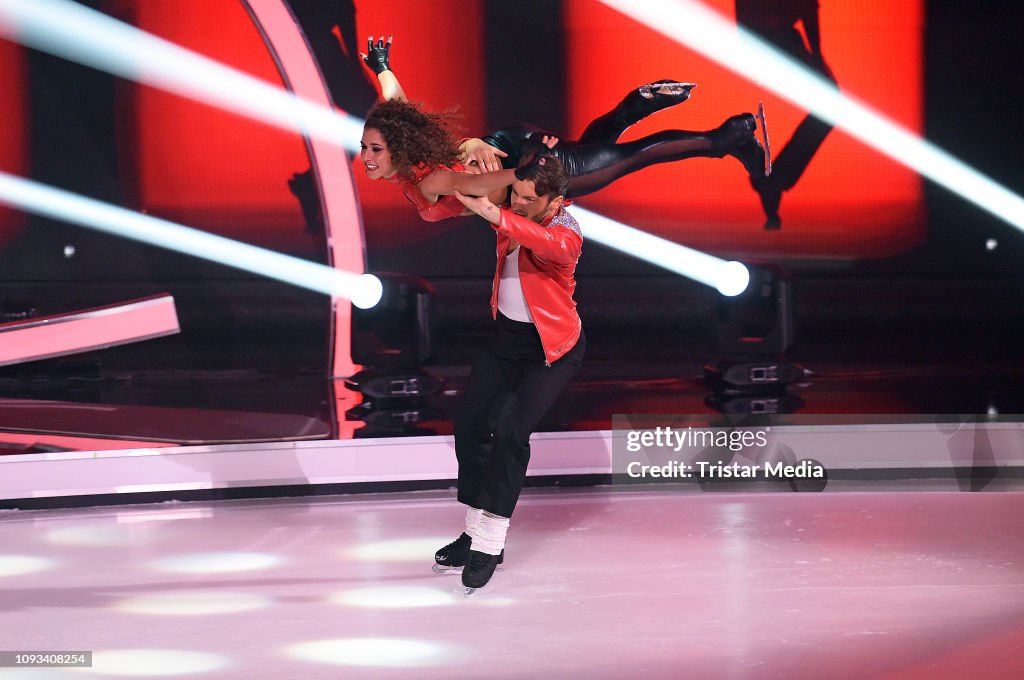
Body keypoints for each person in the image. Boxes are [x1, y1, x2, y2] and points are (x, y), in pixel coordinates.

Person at [360, 36, 770, 205]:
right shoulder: (414, 150)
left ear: (396, 148)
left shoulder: (425, 180)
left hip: (531, 167)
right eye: (366, 148)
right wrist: (382, 68)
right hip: (515, 143)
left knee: (633, 157)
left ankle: (728, 137)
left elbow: (472, 184)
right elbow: (397, 105)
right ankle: (635, 105)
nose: (366, 156)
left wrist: (528, 171)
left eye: (374, 149)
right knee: (595, 149)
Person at [429, 155, 585, 594]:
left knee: (511, 433)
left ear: (556, 201)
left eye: (530, 199)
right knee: (471, 428)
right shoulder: (515, 208)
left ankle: (490, 544)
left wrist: (495, 213)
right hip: (505, 343)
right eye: (516, 194)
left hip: (551, 350)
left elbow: (539, 240)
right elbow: (439, 201)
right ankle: (474, 531)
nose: (519, 202)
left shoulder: (567, 233)